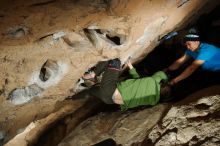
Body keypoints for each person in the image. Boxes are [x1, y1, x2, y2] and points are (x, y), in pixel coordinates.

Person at [67, 58, 171, 111]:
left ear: (161, 84)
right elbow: (138, 81)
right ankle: (71, 98)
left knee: (114, 61)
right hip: (110, 101)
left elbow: (160, 74)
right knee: (91, 91)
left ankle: (91, 74)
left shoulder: (153, 81)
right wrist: (130, 66)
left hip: (111, 90)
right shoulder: (152, 101)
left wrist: (167, 78)